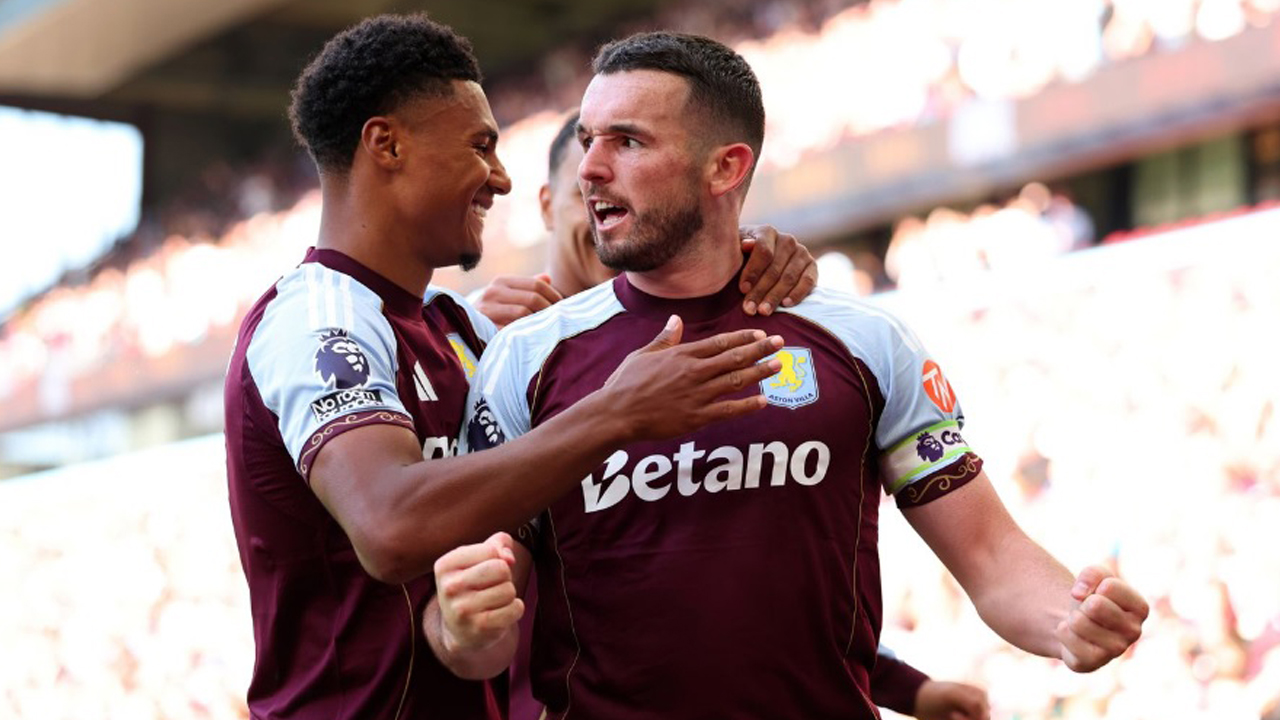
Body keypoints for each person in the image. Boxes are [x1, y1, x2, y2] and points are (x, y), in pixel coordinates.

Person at [429, 31, 1148, 720]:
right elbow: (475, 624)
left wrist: (1069, 620)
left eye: (628, 141)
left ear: (726, 167)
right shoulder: (525, 359)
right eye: (589, 141)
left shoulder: (866, 340)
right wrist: (462, 627)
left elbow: (990, 554)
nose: (589, 168)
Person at [223, 16, 815, 720]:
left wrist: (736, 252)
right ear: (386, 144)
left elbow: (593, 327)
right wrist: (617, 413)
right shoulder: (316, 320)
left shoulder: (456, 324)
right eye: (481, 147)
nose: (500, 179)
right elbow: (389, 527)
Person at [484, 109, 988, 720]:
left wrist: (905, 686)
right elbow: (447, 586)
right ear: (546, 206)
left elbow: (732, 589)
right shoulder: (500, 349)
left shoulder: (769, 316)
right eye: (585, 183)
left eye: (630, 158)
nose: (603, 195)